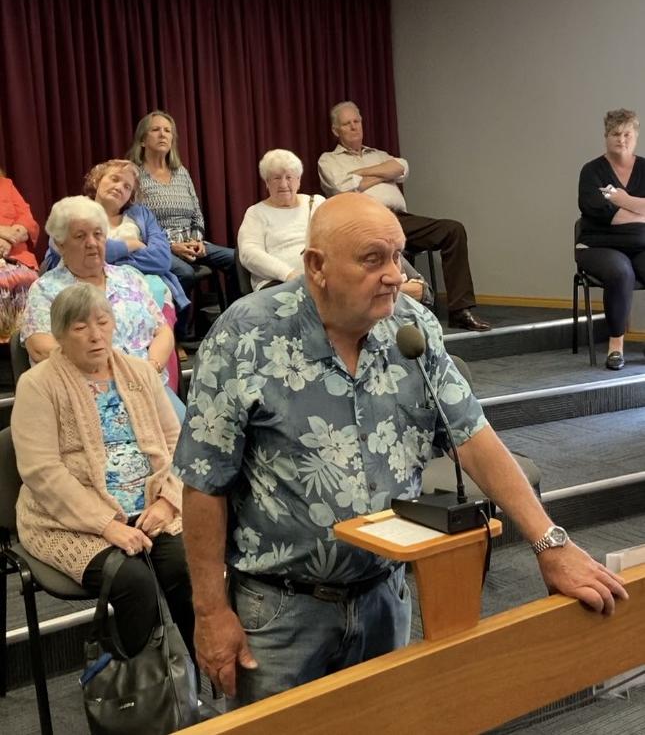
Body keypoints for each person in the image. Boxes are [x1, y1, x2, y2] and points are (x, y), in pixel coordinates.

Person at [175, 192, 627, 707]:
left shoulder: (410, 326)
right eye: (373, 259)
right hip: (280, 611)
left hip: (387, 597)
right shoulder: (245, 334)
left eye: (397, 256)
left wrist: (551, 544)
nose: (394, 274)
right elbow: (204, 481)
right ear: (316, 266)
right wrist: (210, 610)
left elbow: (473, 437)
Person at [12, 284, 194, 659]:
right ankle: (145, 697)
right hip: (71, 521)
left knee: (186, 566)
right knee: (134, 583)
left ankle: (191, 676)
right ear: (59, 335)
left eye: (103, 322)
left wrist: (167, 501)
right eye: (80, 327)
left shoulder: (140, 372)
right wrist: (106, 525)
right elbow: (42, 472)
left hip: (149, 509)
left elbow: (179, 444)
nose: (95, 335)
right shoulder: (37, 385)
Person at [317, 101, 490, 332]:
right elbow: (341, 188)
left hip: (401, 219)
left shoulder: (378, 154)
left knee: (453, 229)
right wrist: (383, 173)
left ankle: (460, 310)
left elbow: (401, 167)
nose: (354, 127)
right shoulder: (329, 160)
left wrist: (360, 175)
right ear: (336, 130)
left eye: (356, 121)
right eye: (347, 124)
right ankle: (403, 310)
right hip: (366, 225)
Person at [20, 196, 183, 418]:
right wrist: (105, 377)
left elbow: (162, 331)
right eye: (80, 236)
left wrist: (151, 368)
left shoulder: (130, 277)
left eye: (98, 234)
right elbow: (40, 346)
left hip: (147, 387)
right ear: (60, 244)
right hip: (86, 394)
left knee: (189, 442)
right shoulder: (46, 289)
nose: (92, 243)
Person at [238, 148, 432, 307]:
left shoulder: (315, 203)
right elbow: (249, 253)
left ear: (298, 180)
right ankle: (401, 289)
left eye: (289, 177)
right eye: (276, 178)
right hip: (279, 283)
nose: (284, 184)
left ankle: (415, 285)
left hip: (326, 275)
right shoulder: (256, 213)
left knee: (374, 240)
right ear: (266, 182)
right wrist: (289, 274)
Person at [126, 110, 238, 329]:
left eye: (167, 131)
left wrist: (197, 240)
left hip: (191, 241)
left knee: (236, 259)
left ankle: (232, 324)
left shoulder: (181, 172)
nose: (163, 135)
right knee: (185, 273)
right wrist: (171, 246)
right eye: (156, 130)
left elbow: (196, 212)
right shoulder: (134, 175)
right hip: (158, 246)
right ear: (142, 139)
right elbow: (136, 225)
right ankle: (174, 332)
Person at [43, 160, 189, 315]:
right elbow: (60, 245)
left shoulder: (142, 214)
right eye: (114, 179)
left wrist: (108, 260)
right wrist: (130, 245)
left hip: (142, 288)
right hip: (84, 286)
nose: (119, 187)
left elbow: (161, 259)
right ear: (97, 180)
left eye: (127, 187)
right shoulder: (74, 209)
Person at [577, 108, 645, 370]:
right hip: (598, 245)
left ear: (635, 135)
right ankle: (615, 346)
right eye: (616, 133)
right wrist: (639, 211)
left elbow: (616, 210)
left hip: (640, 246)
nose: (622, 139)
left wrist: (623, 200)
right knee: (621, 273)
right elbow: (602, 214)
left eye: (627, 133)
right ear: (607, 136)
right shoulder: (591, 171)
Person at [0, 171, 39, 342]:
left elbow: (28, 221)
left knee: (33, 287)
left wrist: (9, 241)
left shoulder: (6, 185)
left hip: (19, 260)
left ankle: (23, 347)